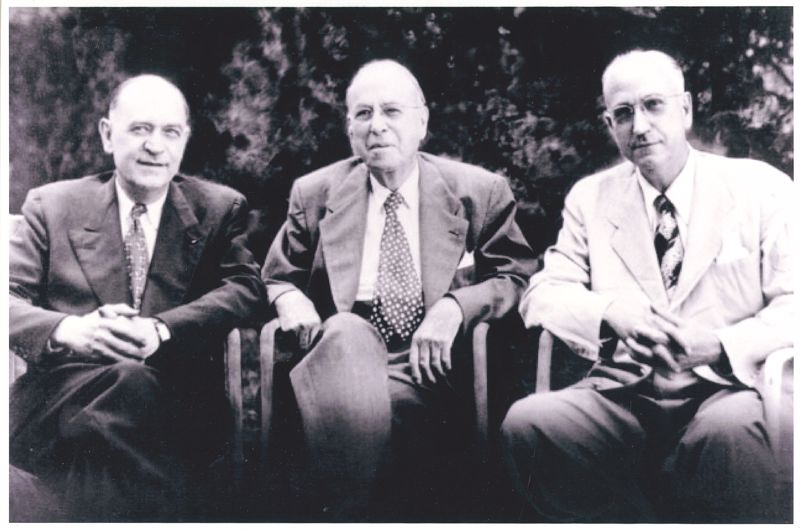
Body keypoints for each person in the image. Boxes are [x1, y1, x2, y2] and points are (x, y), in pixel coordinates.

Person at [502, 49, 794, 523]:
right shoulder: (591, 198)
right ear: (609, 124)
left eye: (653, 105)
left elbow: (795, 303)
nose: (638, 126)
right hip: (626, 394)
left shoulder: (761, 188)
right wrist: (610, 312)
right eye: (622, 113)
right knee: (530, 423)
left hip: (728, 389)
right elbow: (543, 293)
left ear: (686, 109)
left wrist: (719, 345)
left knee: (730, 432)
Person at [262, 59, 536, 520]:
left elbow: (516, 276)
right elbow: (274, 275)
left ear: (422, 123)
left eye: (392, 112)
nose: (377, 127)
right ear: (349, 128)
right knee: (347, 332)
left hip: (436, 366)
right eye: (363, 114)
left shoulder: (479, 192)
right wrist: (289, 297)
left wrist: (456, 306)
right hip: (343, 362)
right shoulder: (315, 194)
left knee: (397, 420)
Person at [9, 74, 267, 521]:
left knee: (116, 421)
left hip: (174, 402)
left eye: (170, 132)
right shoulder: (52, 206)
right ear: (108, 135)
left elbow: (246, 288)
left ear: (184, 141)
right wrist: (72, 330)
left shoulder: (218, 209)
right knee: (125, 387)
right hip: (61, 398)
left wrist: (162, 330)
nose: (155, 146)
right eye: (140, 129)